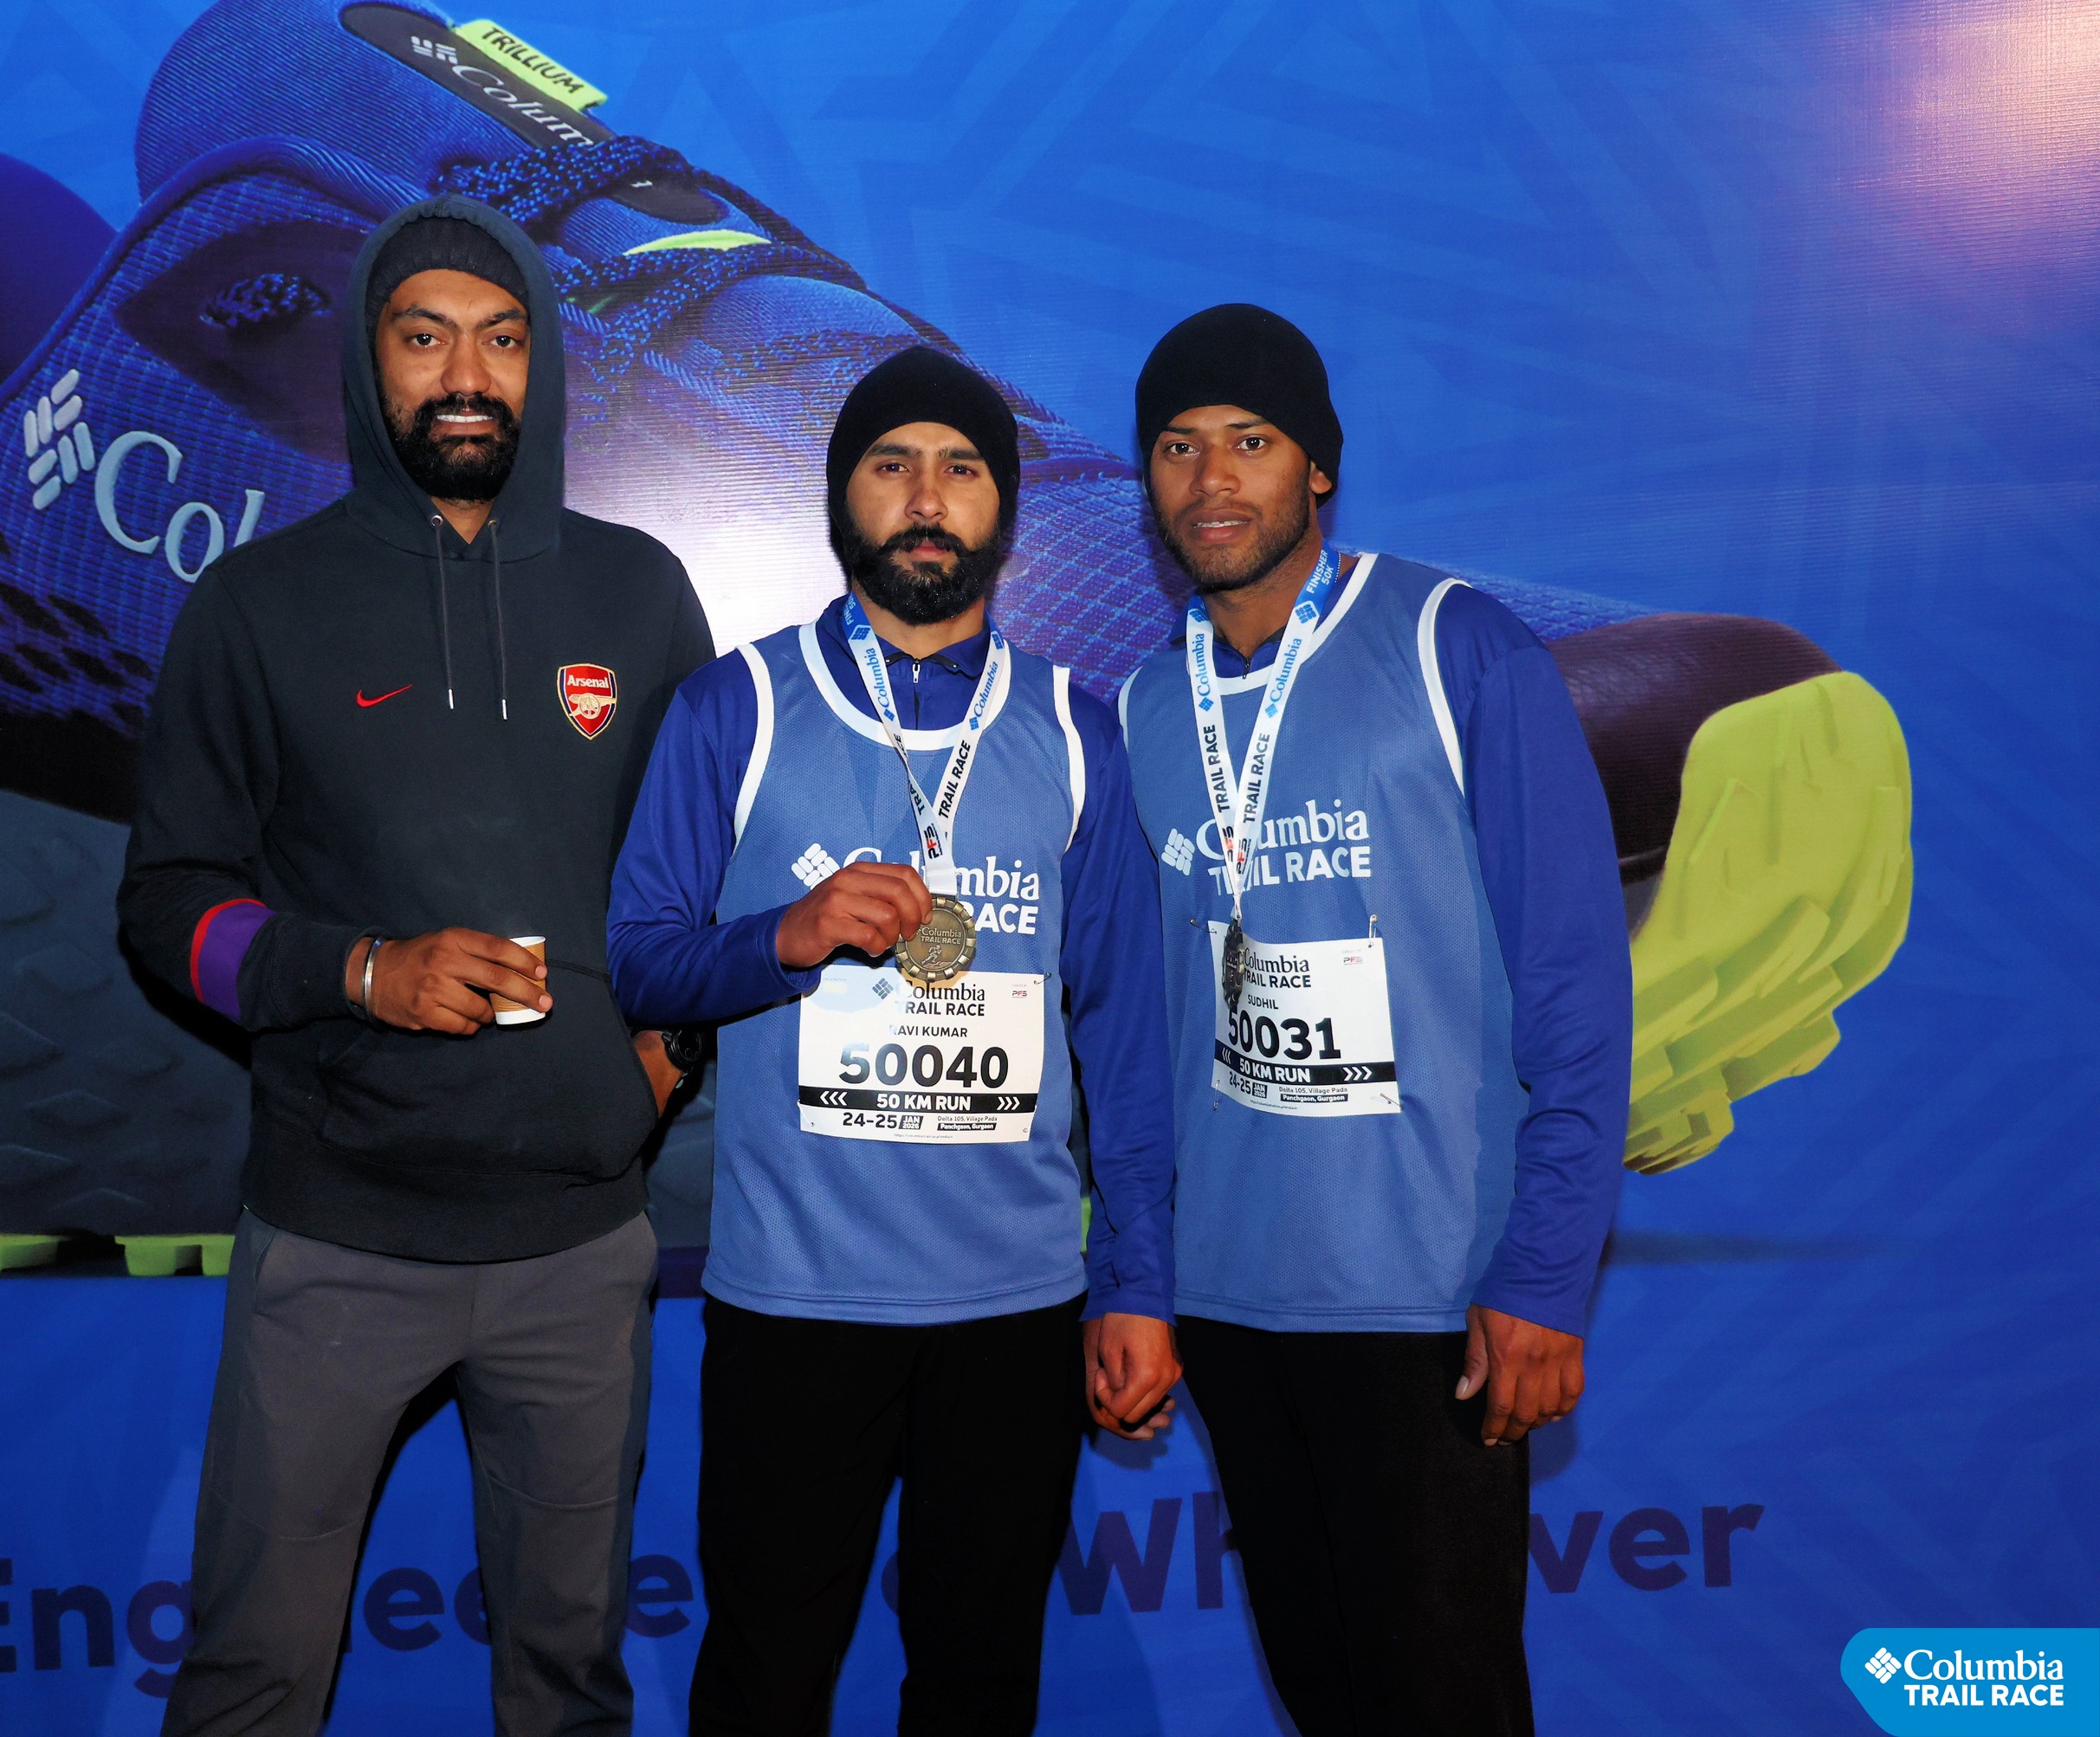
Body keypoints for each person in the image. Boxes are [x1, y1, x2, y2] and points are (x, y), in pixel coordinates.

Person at [116, 197, 712, 1737]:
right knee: (253, 1677)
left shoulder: (641, 593)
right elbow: (167, 906)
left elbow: (696, 879)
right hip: (338, 1240)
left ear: (543, 364)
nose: (465, 373)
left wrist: (665, 1057)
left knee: (570, 1686)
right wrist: (360, 972)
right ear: (365, 360)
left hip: (580, 1248)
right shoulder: (257, 603)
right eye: (423, 335)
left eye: (501, 339)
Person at [608, 346, 1179, 1736]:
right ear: (839, 500)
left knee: (979, 1687)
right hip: (794, 1303)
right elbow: (637, 955)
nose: (926, 498)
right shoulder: (735, 708)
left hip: (1014, 1312)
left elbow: (1126, 1037)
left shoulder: (1075, 731)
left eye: (961, 469)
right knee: (764, 1680)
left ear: (1005, 511)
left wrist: (1138, 1283)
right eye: (890, 464)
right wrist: (783, 937)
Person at [1111, 303, 1631, 1735]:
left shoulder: (1457, 647)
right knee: (1325, 1694)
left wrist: (1544, 1274)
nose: (1213, 478)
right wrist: (1137, 1273)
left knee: (1440, 1702)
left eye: (1251, 440)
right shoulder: (1145, 706)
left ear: (1318, 467)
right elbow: (1141, 1034)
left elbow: (1576, 985)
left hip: (1429, 1295)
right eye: (1177, 445)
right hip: (1231, 1298)